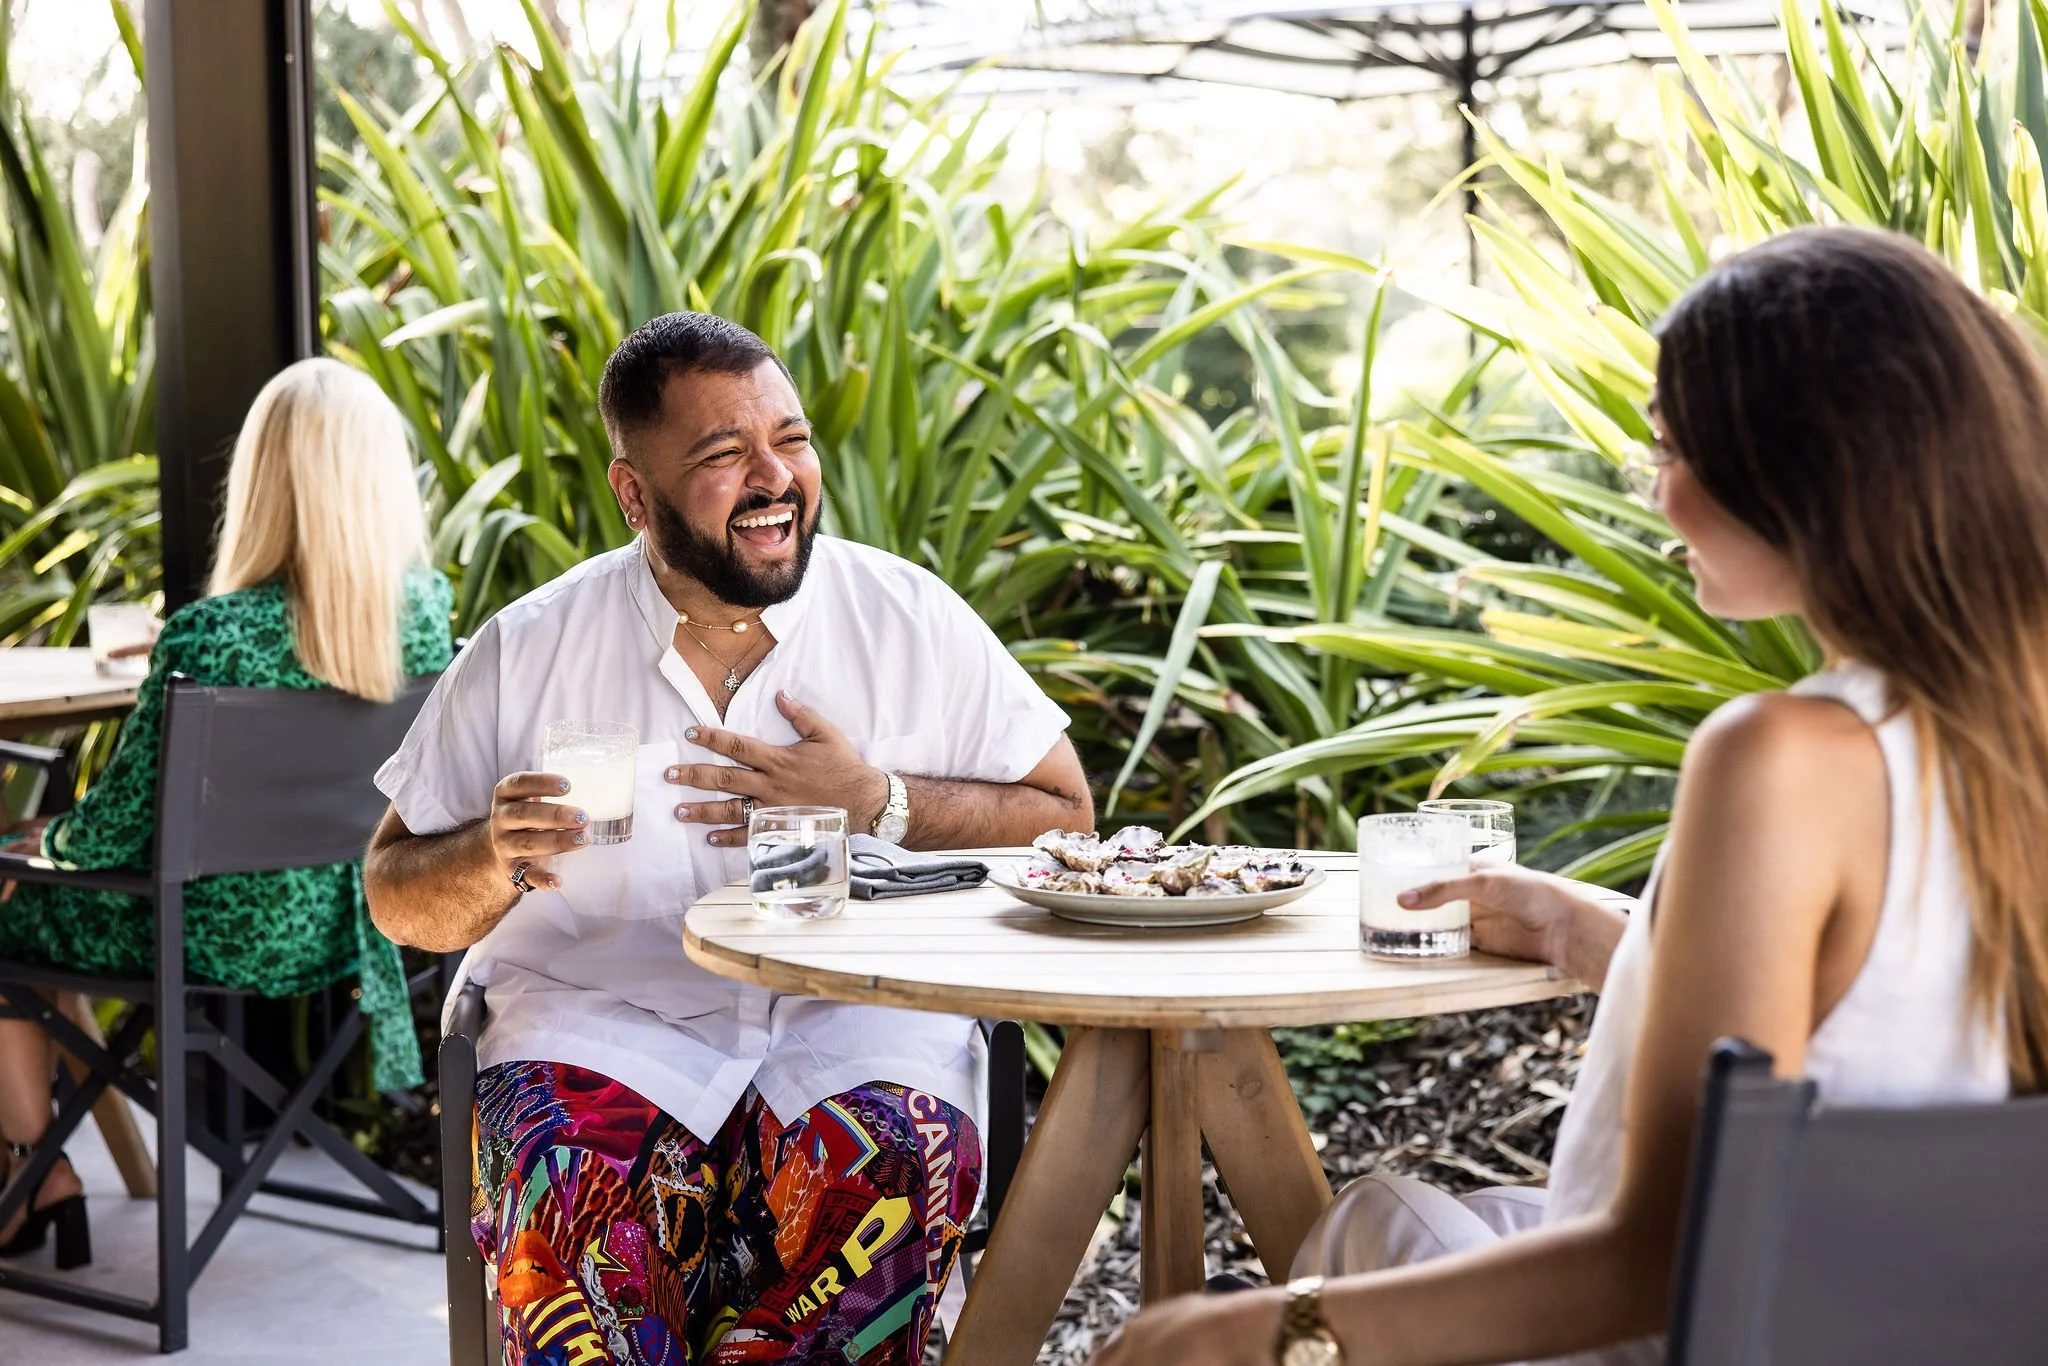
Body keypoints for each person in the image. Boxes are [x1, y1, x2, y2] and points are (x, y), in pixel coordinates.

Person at [1094, 224, 2048, 1366]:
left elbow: (1661, 1257)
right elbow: (1885, 1025)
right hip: (1938, 1321)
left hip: (1727, 1330)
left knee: (1349, 1245)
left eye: (1667, 448)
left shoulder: (1784, 756)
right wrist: (1589, 929)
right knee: (1381, 1222)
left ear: (1794, 460)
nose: (1656, 494)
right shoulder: (1999, 739)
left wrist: (1261, 1331)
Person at [363, 311, 1093, 1365]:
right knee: (564, 1192)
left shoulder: (906, 617)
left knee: (884, 1172)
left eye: (789, 439)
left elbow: (1066, 815)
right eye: (721, 454)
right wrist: (488, 852)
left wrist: (877, 799)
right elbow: (393, 890)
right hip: (600, 1023)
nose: (775, 476)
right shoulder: (529, 647)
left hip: (856, 1028)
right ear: (632, 493)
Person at [0, 357, 453, 1266]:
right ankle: (40, 1166)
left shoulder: (211, 633)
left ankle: (32, 1174)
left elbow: (118, 831)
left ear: (263, 481)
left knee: (10, 906)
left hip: (209, 934)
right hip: (356, 922)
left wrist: (37, 837)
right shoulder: (422, 615)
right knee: (32, 923)